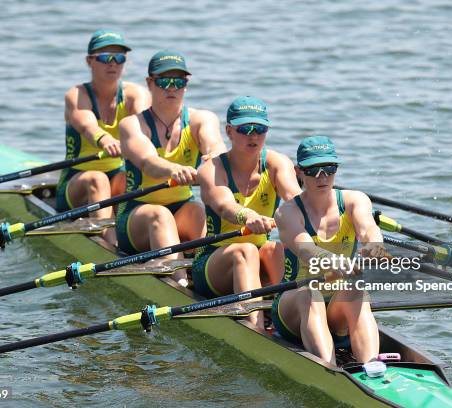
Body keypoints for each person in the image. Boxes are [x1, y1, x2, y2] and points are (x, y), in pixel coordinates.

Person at [273, 136, 386, 365]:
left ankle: (373, 368)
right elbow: (307, 251)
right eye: (314, 170)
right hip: (293, 307)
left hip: (335, 309)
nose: (322, 177)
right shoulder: (287, 213)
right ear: (299, 172)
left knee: (356, 288)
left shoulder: (355, 200)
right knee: (310, 293)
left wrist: (374, 246)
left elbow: (368, 230)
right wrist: (335, 262)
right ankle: (330, 370)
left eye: (329, 168)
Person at [116, 51, 226, 285]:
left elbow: (215, 146)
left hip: (182, 209)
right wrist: (173, 170)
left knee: (198, 210)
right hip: (137, 215)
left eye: (179, 82)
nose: (172, 88)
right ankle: (179, 284)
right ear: (149, 83)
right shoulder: (132, 124)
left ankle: (207, 279)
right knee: (160, 214)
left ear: (186, 85)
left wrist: (214, 158)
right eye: (164, 81)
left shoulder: (201, 119)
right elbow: (148, 161)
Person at [192, 96, 301, 328]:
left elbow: (295, 200)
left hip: (257, 256)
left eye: (259, 129)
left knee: (276, 248)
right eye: (245, 129)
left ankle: (292, 320)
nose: (253, 135)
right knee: (246, 250)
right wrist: (248, 216)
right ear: (229, 131)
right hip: (213, 264)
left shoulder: (277, 163)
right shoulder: (212, 169)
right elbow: (225, 206)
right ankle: (256, 328)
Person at [56, 29, 151, 245]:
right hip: (76, 182)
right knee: (97, 179)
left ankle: (137, 240)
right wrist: (105, 140)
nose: (113, 64)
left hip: (116, 175)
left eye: (119, 58)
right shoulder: (77, 95)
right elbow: (87, 125)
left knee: (133, 180)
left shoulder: (135, 95)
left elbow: (144, 127)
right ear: (89, 61)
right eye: (105, 57)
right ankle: (108, 247)